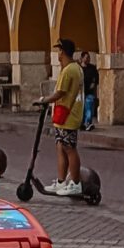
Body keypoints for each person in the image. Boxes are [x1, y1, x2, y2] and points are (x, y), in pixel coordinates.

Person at [46, 38, 85, 195]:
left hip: (69, 114)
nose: (58, 54)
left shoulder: (70, 70)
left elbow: (60, 92)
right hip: (64, 115)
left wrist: (44, 100)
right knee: (61, 147)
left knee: (69, 148)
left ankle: (75, 183)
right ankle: (61, 182)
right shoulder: (74, 68)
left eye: (59, 51)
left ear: (62, 51)